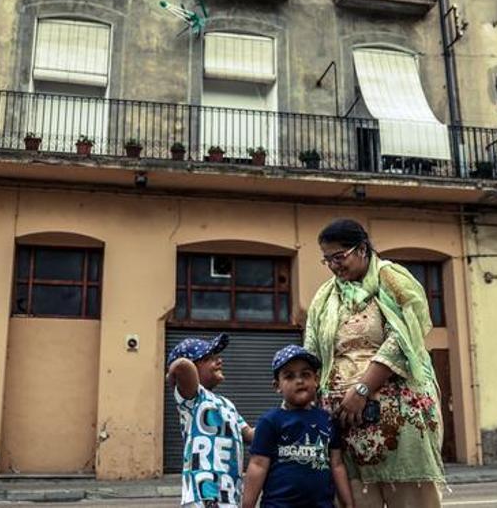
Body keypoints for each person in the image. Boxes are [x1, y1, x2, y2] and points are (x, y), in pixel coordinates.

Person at [304, 218, 445, 508]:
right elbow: (313, 347)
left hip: (397, 416)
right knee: (356, 499)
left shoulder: (392, 279)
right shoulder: (325, 296)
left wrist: (362, 390)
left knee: (408, 497)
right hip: (345, 420)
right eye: (327, 259)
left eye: (339, 256)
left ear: (363, 249)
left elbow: (403, 339)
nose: (333, 265)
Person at [241, 345, 355, 508]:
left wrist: (349, 504)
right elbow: (257, 465)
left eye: (305, 374)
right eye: (289, 376)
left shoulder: (328, 420)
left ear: (316, 380)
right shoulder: (270, 421)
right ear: (277, 386)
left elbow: (336, 465)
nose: (299, 380)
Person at [168, 333, 254, 508]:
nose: (219, 361)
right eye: (209, 358)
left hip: (230, 495)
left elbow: (251, 435)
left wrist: (280, 421)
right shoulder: (192, 398)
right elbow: (182, 366)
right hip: (202, 496)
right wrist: (173, 373)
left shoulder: (227, 404)